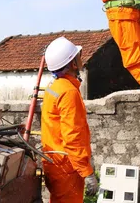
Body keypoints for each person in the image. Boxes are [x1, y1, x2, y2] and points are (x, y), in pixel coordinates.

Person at [41, 37, 98, 202]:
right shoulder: (68, 92)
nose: (81, 58)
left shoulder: (55, 86)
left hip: (55, 161)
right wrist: (86, 172)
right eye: (78, 56)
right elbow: (73, 138)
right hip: (67, 166)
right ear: (73, 64)